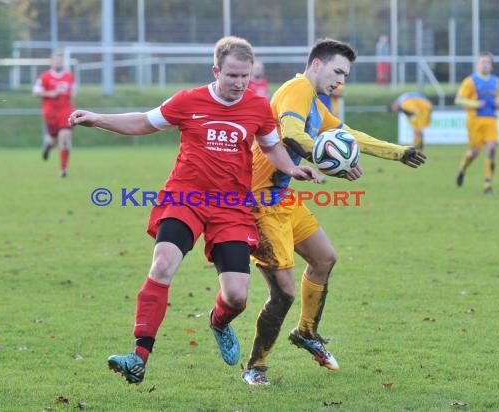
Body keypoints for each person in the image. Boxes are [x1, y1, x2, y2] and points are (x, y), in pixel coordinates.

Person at [69, 36, 321, 385]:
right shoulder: (189, 101)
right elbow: (143, 122)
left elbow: (272, 147)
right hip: (184, 198)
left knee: (236, 295)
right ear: (216, 70)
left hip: (231, 207)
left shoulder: (258, 107)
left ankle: (218, 321)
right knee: (162, 264)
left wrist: (292, 169)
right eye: (232, 75)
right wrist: (97, 119)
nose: (239, 83)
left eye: (245, 76)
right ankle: (139, 356)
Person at [241, 38, 426, 385]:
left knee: (324, 258)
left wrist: (396, 152)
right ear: (316, 64)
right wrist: (326, 158)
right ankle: (256, 366)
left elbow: (347, 134)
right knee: (283, 293)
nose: (340, 80)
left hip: (282, 197)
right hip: (257, 203)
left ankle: (306, 332)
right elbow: (293, 135)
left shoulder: (315, 101)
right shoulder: (296, 88)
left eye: (345, 74)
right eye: (337, 71)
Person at [455, 52, 499, 194]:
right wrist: (475, 103)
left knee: (492, 148)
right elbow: (459, 100)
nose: (485, 64)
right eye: (482, 62)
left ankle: (488, 184)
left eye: (487, 62)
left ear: (492, 65)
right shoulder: (470, 81)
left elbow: (497, 100)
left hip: (491, 120)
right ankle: (463, 167)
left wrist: (498, 103)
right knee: (474, 152)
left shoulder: (496, 81)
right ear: (477, 64)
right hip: (475, 121)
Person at [32, 50, 76, 178]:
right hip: (50, 113)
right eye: (56, 60)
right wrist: (50, 94)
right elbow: (35, 92)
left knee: (64, 138)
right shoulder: (45, 77)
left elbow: (73, 94)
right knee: (54, 141)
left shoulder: (69, 77)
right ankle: (48, 146)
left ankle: (63, 170)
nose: (58, 62)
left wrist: (73, 111)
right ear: (51, 62)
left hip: (66, 112)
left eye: (60, 60)